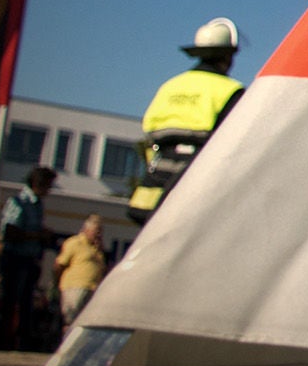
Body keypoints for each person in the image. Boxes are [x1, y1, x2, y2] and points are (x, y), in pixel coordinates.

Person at [130, 17, 247, 223]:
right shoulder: (230, 91)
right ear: (228, 56)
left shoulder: (170, 86)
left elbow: (149, 131)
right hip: (197, 186)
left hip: (155, 183)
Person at [0, 165, 57, 349]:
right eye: (48, 186)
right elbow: (10, 231)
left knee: (26, 300)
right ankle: (3, 340)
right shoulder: (19, 202)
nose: (49, 190)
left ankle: (22, 339)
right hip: (15, 258)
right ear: (38, 184)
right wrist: (37, 235)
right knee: (11, 300)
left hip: (30, 259)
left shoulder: (38, 205)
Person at [54, 214, 108, 325]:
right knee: (71, 322)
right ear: (86, 230)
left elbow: (103, 269)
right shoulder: (74, 243)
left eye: (100, 232)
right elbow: (59, 264)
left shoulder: (98, 249)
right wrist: (58, 282)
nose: (98, 235)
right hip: (75, 288)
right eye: (96, 231)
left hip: (92, 289)